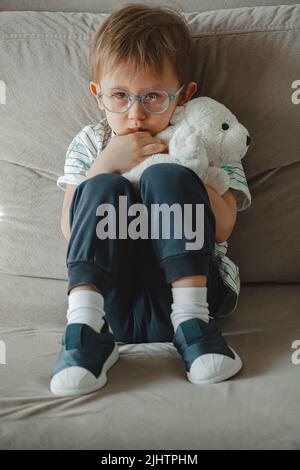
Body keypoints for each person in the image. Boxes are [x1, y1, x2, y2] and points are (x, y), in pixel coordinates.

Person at [50, 3, 252, 397]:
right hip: (113, 301)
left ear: (184, 95)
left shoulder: (203, 138)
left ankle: (194, 331)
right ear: (98, 96)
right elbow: (69, 229)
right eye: (120, 96)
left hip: (190, 294)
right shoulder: (91, 143)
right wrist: (104, 166)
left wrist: (183, 166)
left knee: (166, 175)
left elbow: (224, 225)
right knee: (102, 189)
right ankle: (84, 334)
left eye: (154, 97)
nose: (136, 115)